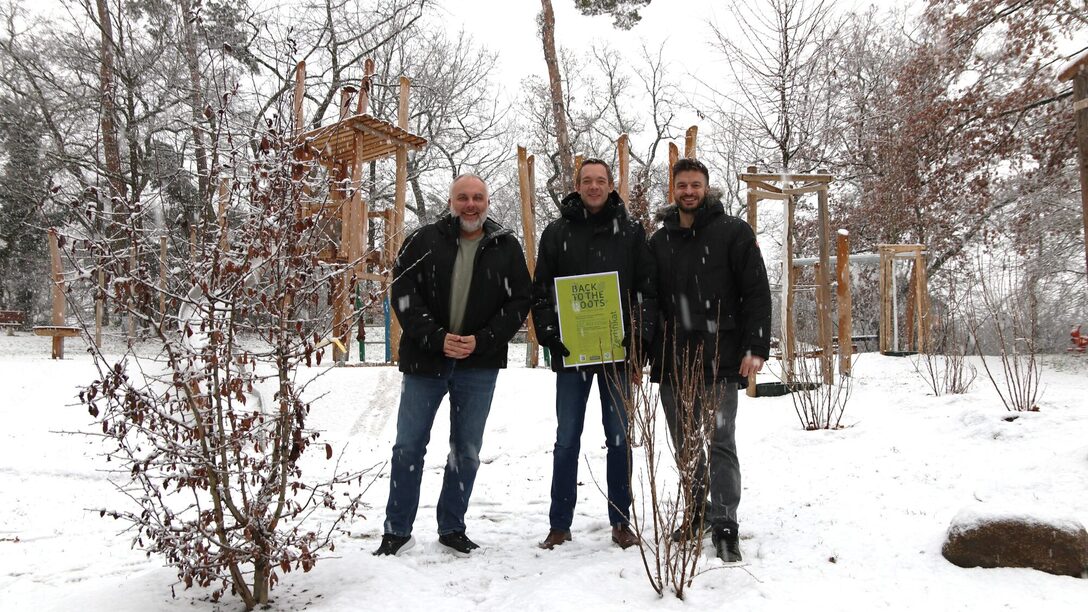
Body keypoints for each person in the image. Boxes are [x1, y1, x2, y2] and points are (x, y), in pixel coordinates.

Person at [373, 174, 531, 557]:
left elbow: (518, 302)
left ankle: (452, 527)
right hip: (426, 361)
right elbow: (404, 294)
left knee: (467, 451)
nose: (470, 204)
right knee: (408, 448)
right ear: (451, 201)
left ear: (487, 202)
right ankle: (396, 530)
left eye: (478, 197)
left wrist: (483, 340)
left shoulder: (505, 246)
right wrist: (436, 337)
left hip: (479, 363)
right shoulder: (423, 241)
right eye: (463, 197)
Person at [648, 158, 772, 563]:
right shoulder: (659, 241)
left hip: (721, 357)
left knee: (720, 442)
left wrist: (755, 346)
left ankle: (724, 524)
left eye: (695, 184)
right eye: (682, 185)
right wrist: (645, 350)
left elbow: (756, 291)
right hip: (673, 361)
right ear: (674, 188)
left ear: (706, 187)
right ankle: (697, 511)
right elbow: (647, 301)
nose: (689, 191)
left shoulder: (733, 232)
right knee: (685, 446)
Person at [530, 159, 656, 550]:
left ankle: (621, 521)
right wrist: (551, 334)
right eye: (587, 181)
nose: (594, 186)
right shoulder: (556, 232)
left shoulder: (632, 232)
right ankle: (559, 523)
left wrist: (637, 343)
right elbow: (541, 291)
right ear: (577, 185)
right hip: (573, 355)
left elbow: (646, 291)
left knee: (619, 438)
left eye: (601, 180)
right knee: (567, 438)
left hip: (617, 353)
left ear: (611, 184)